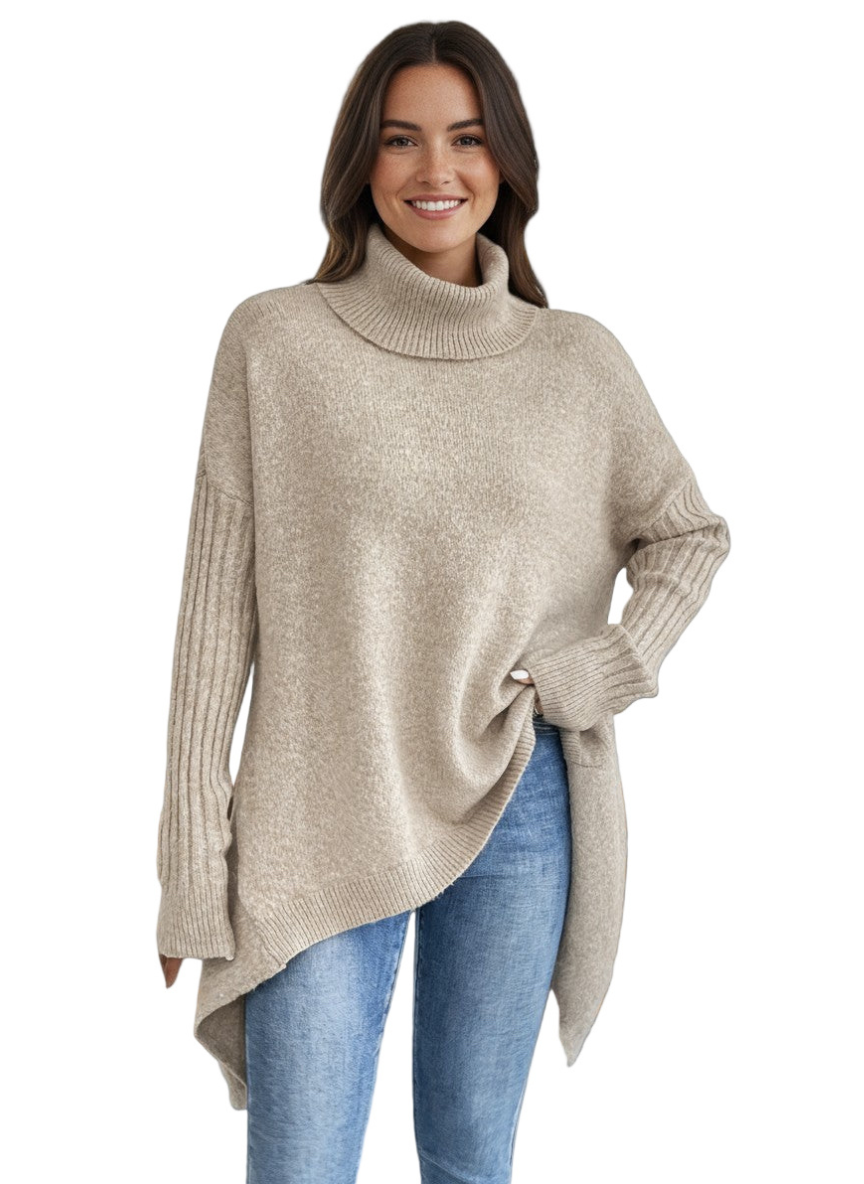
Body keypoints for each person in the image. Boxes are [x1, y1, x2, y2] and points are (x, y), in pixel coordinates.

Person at [155, 20, 731, 1184]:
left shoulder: (576, 361)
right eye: (401, 139)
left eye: (467, 139)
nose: (436, 170)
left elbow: (688, 533)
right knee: (301, 1163)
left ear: (505, 160)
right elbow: (214, 623)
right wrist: (190, 866)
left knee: (470, 1160)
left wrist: (594, 669)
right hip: (318, 811)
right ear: (360, 160)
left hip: (518, 798)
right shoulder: (277, 342)